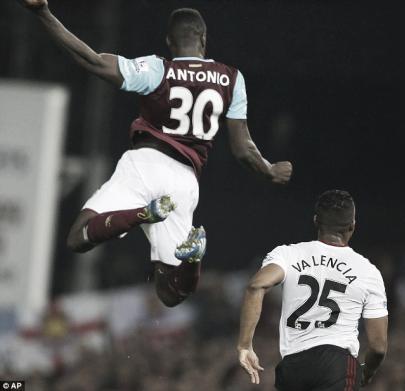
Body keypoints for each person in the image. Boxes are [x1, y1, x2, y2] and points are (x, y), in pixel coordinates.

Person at [19, 0, 293, 307]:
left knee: (78, 236)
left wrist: (43, 13)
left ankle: (142, 214)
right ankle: (193, 259)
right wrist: (269, 170)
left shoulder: (157, 69)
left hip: (144, 166)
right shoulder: (231, 78)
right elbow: (243, 149)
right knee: (173, 293)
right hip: (184, 183)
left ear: (169, 42)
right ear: (203, 39)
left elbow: (93, 61)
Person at [237, 190, 388, 390]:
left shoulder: (288, 254)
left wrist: (245, 345)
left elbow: (256, 285)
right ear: (352, 226)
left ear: (316, 221)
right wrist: (367, 373)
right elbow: (378, 347)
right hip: (337, 365)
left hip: (293, 368)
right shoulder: (368, 272)